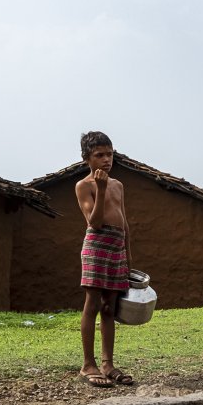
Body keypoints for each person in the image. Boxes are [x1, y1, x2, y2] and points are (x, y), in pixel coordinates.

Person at [74, 131, 134, 387]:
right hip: (97, 245)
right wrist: (99, 188)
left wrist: (128, 257)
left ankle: (108, 364)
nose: (106, 160)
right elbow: (94, 222)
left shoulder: (118, 185)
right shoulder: (84, 186)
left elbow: (124, 222)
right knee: (93, 303)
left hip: (116, 246)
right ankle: (88, 364)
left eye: (109, 154)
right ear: (87, 158)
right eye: (99, 155)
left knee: (110, 307)